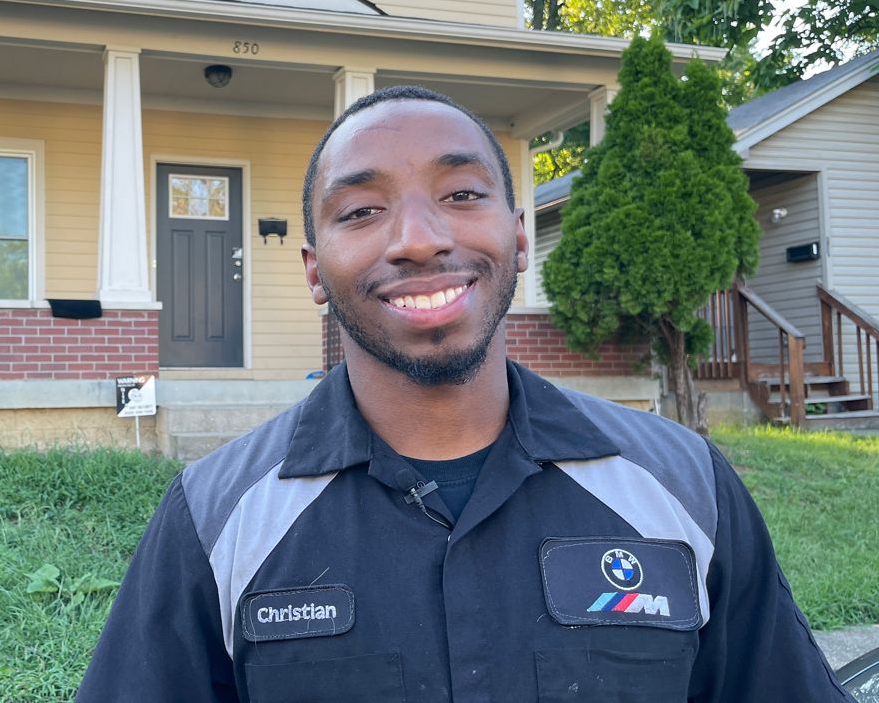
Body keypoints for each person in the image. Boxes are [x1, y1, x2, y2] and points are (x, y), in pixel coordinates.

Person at [76, 86, 854, 702]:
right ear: (315, 270)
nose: (419, 238)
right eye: (362, 210)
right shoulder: (216, 520)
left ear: (519, 236)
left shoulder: (686, 489)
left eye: (460, 194)